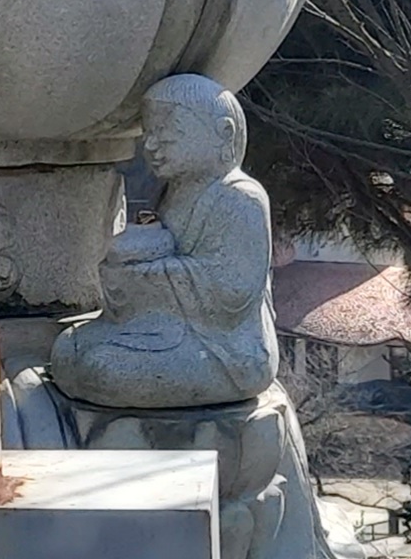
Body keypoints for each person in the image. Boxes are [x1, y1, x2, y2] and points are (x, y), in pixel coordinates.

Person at [48, 75, 279, 412]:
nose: (152, 146)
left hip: (227, 350)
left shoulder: (240, 198)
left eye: (168, 135)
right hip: (169, 330)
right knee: (69, 349)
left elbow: (233, 292)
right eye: (149, 134)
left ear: (223, 133)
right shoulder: (175, 193)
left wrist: (150, 271)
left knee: (102, 368)